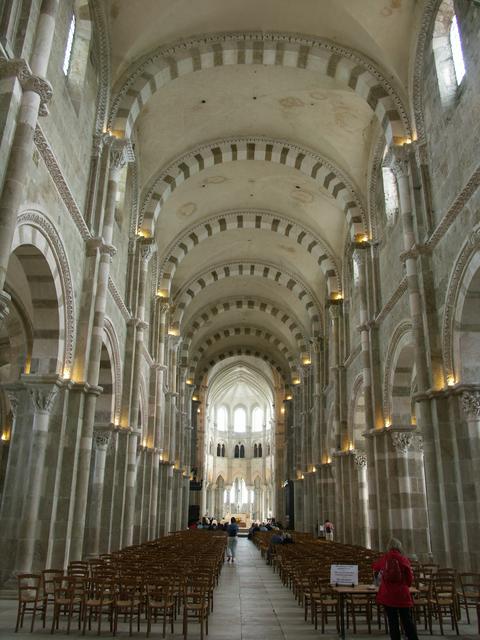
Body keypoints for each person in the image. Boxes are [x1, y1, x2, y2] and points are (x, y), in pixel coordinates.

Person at [372, 537, 418, 640]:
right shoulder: (403, 559)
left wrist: (379, 580)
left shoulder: (385, 558)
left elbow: (375, 567)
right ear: (399, 547)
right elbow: (409, 579)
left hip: (388, 595)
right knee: (407, 621)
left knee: (393, 623)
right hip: (402, 595)